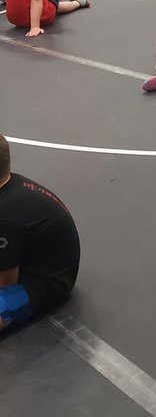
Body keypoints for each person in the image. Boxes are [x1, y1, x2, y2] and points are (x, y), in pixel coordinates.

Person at [0, 134, 81, 334]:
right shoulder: (9, 183)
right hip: (24, 255)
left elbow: (5, 284)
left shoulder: (5, 217)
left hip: (43, 281)